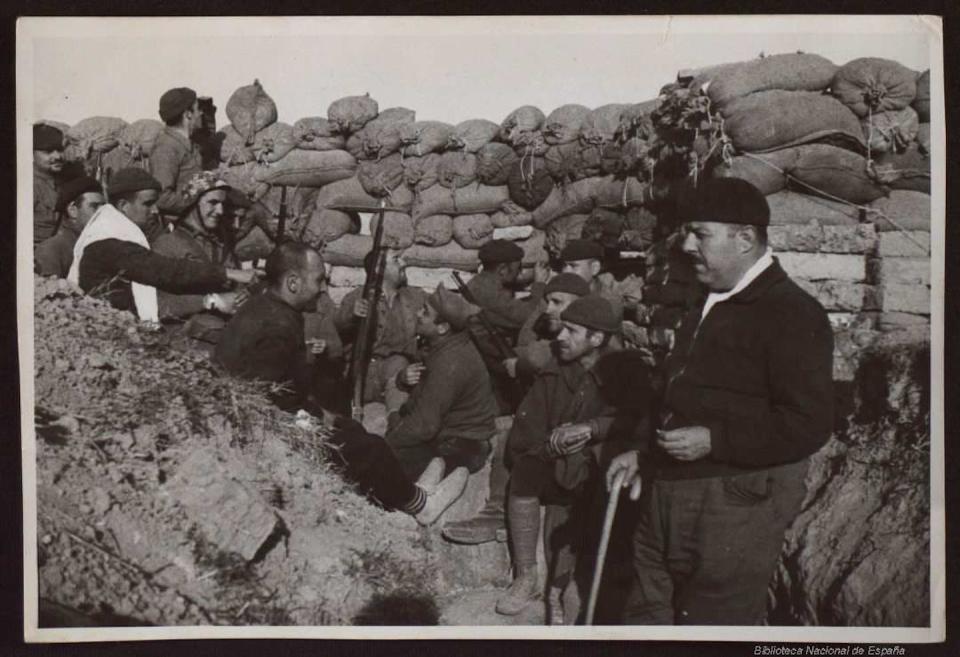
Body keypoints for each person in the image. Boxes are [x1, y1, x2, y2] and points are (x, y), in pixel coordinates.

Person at [605, 177, 834, 625]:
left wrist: (715, 440)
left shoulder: (791, 313)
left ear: (745, 238)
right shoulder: (705, 301)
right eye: (686, 232)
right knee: (646, 615)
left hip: (732, 506)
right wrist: (641, 450)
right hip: (667, 493)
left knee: (712, 627)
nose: (687, 244)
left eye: (700, 233)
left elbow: (809, 422)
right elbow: (675, 389)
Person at [214, 242, 469, 526]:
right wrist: (312, 419)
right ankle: (422, 506)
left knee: (350, 428)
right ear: (293, 283)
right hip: (263, 425)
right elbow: (269, 394)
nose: (324, 288)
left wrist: (318, 412)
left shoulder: (263, 305)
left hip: (256, 411)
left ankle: (409, 493)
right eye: (319, 280)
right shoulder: (279, 324)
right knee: (369, 448)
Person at [496, 295, 650, 621]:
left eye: (572, 331)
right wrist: (550, 448)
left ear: (597, 338)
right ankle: (527, 575)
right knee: (524, 473)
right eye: (562, 328)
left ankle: (571, 585)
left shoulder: (628, 371)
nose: (561, 337)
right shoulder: (556, 369)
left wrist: (591, 429)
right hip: (560, 465)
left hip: (598, 473)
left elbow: (639, 421)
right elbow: (528, 429)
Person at [442, 273, 591, 546]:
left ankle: (497, 512)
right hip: (550, 419)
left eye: (557, 302)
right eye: (548, 301)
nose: (549, 309)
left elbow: (537, 357)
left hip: (576, 436)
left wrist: (521, 362)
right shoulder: (553, 332)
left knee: (509, 439)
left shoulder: (583, 341)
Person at [68, 168, 255, 321]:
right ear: (124, 205)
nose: (155, 210)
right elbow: (165, 271)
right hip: (112, 331)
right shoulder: (108, 240)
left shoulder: (118, 231)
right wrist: (213, 298)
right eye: (148, 204)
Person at [385, 285, 499, 481]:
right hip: (450, 435)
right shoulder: (443, 346)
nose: (418, 313)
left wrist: (388, 443)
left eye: (425, 312)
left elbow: (425, 426)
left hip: (462, 445)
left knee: (384, 462)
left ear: (442, 327)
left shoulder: (450, 361)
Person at [151, 171, 246, 343]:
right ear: (193, 203)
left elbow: (237, 282)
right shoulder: (168, 243)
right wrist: (209, 301)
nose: (220, 211)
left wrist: (241, 295)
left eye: (223, 204)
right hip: (185, 337)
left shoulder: (220, 244)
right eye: (213, 203)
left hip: (223, 330)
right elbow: (157, 304)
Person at [335, 249, 427, 413]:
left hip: (399, 375)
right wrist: (353, 315)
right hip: (364, 377)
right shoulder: (357, 298)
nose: (404, 264)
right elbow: (338, 325)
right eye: (396, 259)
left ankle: (396, 423)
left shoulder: (415, 297)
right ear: (378, 268)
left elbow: (439, 313)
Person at [466, 239, 550, 336]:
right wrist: (539, 284)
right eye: (518, 268)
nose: (519, 272)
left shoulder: (479, 281)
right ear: (503, 269)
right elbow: (528, 317)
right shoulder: (490, 293)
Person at [149, 87, 205, 219]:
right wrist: (199, 192)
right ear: (188, 114)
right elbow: (163, 199)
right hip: (180, 224)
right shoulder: (166, 148)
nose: (201, 113)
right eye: (198, 109)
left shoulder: (190, 144)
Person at [34, 176, 105, 277]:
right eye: (94, 206)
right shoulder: (51, 250)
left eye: (104, 207)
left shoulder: (101, 243)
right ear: (72, 210)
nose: (102, 212)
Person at [559, 239, 624, 320]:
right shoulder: (558, 292)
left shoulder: (609, 303)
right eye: (564, 265)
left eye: (573, 266)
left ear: (594, 268)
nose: (565, 271)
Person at [33, 124, 66, 244]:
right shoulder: (26, 187)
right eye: (48, 151)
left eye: (60, 150)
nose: (57, 156)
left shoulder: (63, 182)